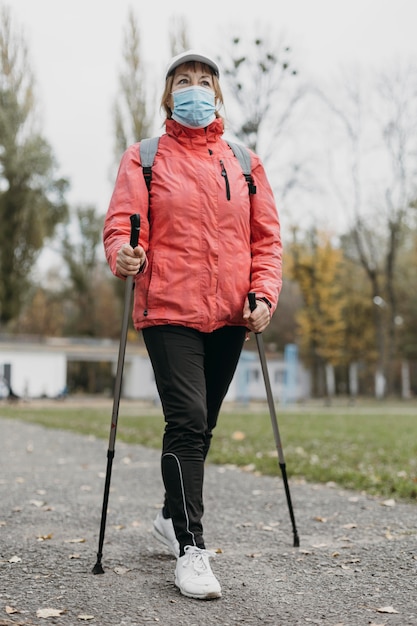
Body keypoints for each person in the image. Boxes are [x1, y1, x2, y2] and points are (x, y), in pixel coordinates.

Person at [103, 49, 282, 600]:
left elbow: (266, 241)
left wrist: (264, 294)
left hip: (230, 314)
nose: (196, 88)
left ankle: (166, 516)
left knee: (201, 428)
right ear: (168, 95)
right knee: (186, 421)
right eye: (185, 81)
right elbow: (120, 227)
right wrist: (124, 255)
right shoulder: (146, 157)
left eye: (206, 81)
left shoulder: (244, 161)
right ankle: (191, 549)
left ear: (219, 95)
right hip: (169, 312)